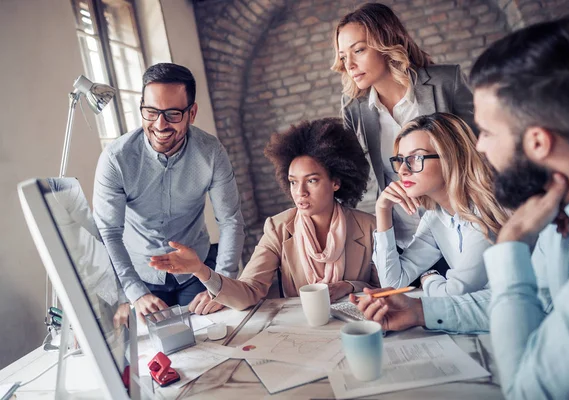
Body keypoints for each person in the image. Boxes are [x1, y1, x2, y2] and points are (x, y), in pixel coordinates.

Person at [352, 17, 569, 398]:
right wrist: (420, 312)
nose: (479, 148)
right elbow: (525, 297)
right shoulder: (557, 212)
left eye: (486, 132)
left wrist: (510, 247)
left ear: (537, 142)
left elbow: (527, 391)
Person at [149, 118, 380, 312]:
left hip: (358, 324)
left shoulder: (369, 227)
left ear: (336, 181)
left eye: (312, 180)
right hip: (306, 332)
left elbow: (390, 289)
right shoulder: (278, 228)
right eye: (292, 182)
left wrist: (349, 286)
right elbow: (249, 291)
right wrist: (201, 270)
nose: (300, 192)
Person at [93, 63, 245, 320]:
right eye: (151, 112)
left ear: (192, 113)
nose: (160, 125)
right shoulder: (115, 159)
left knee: (215, 333)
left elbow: (230, 220)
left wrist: (223, 284)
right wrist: (134, 292)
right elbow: (108, 231)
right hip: (140, 277)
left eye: (173, 114)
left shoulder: (211, 152)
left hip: (196, 269)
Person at [333, 2, 475, 255]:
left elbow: (481, 151)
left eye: (359, 50)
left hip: (464, 226)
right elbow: (354, 173)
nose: (349, 64)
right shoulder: (354, 106)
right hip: (406, 239)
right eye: (344, 56)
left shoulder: (446, 82)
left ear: (386, 42)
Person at [374, 113, 508, 296]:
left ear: (452, 158)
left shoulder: (487, 210)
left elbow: (455, 293)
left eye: (416, 158)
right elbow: (392, 283)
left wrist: (428, 278)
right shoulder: (435, 217)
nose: (403, 170)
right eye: (400, 160)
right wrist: (383, 211)